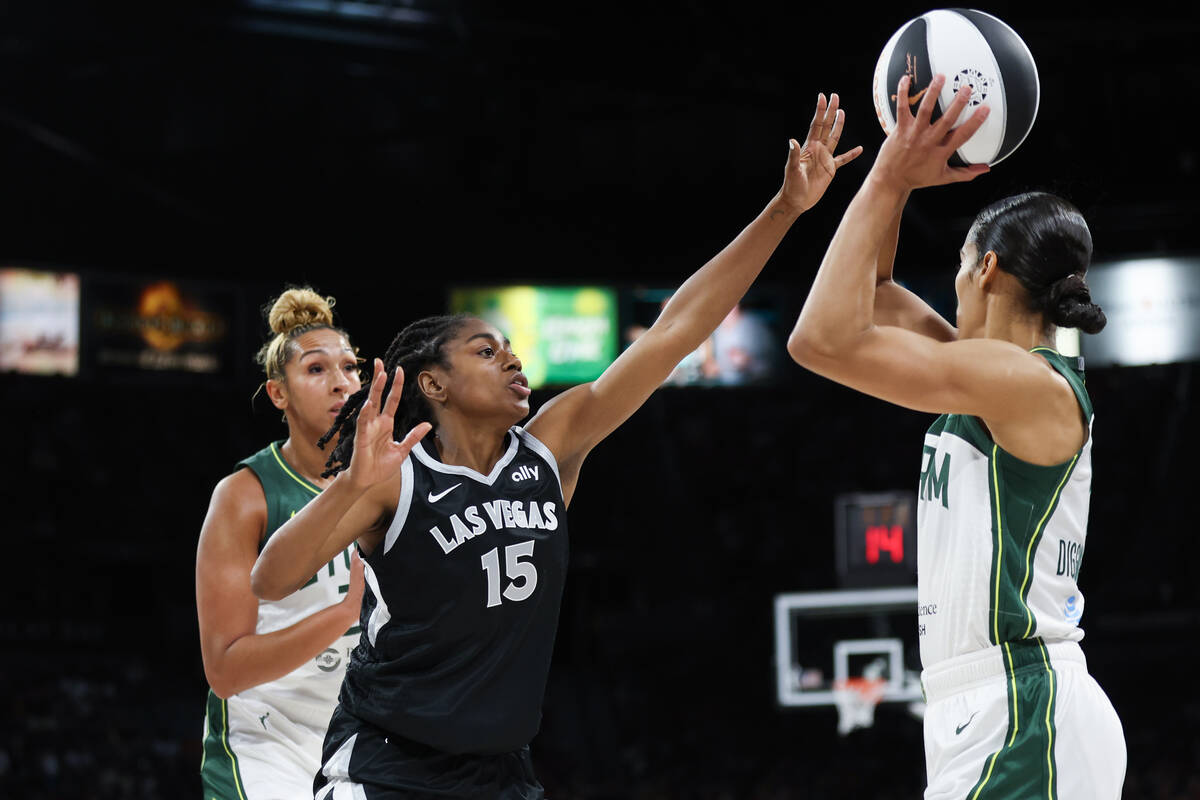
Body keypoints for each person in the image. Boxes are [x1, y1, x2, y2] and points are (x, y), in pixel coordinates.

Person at [250, 93, 863, 799]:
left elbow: (672, 333)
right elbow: (272, 578)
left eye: (513, 350)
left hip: (503, 773)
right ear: (435, 385)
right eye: (487, 351)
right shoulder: (394, 476)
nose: (515, 362)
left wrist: (784, 209)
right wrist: (354, 487)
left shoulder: (549, 448)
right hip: (389, 767)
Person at [787, 74, 1125, 799]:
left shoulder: (1025, 382)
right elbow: (870, 293)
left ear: (987, 269)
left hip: (1023, 703)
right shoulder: (992, 376)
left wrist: (887, 172)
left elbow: (819, 339)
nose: (956, 286)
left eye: (961, 270)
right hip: (988, 706)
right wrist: (899, 177)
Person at [197, 287, 367, 800]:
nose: (341, 382)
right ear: (279, 393)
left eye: (351, 367)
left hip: (366, 735)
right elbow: (225, 670)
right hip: (267, 740)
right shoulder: (245, 496)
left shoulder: (397, 479)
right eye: (316, 369)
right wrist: (344, 614)